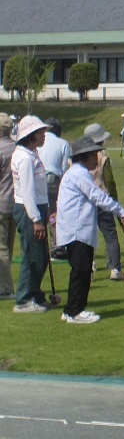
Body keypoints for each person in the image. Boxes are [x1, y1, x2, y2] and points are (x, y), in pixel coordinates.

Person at [55, 136, 124, 323]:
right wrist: (121, 211)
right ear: (85, 156)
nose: (97, 160)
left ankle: (71, 310)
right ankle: (75, 311)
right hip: (77, 230)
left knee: (80, 271)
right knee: (81, 272)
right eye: (94, 156)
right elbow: (99, 196)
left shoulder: (75, 173)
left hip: (75, 229)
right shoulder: (79, 174)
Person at [11, 116, 52, 312]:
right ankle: (24, 300)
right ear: (30, 136)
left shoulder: (31, 153)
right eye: (41, 132)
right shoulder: (24, 158)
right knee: (32, 257)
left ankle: (35, 293)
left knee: (42, 256)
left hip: (38, 208)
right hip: (30, 211)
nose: (44, 135)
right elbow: (27, 191)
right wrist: (36, 219)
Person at [82, 123, 123, 281]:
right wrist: (115, 200)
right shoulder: (103, 156)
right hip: (103, 199)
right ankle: (115, 268)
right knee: (110, 235)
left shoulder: (77, 156)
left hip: (85, 201)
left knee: (88, 236)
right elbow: (109, 180)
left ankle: (89, 268)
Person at [38, 117, 71, 256]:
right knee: (54, 212)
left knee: (39, 212)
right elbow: (64, 168)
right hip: (53, 181)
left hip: (37, 180)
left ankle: (39, 246)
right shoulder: (63, 143)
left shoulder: (38, 142)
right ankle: (56, 246)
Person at [0, 113, 18, 300]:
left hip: (1, 203)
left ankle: (6, 288)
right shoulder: (17, 148)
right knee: (8, 247)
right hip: (15, 203)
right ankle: (4, 283)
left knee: (1, 248)